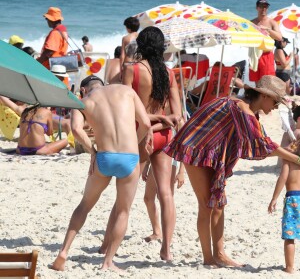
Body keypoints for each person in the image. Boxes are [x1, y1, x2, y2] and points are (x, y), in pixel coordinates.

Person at [164, 75, 300, 267]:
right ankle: (209, 258)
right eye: (276, 101)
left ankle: (219, 254)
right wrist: (296, 158)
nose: (276, 107)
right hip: (194, 147)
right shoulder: (242, 110)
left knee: (218, 203)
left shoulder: (246, 110)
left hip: (211, 151)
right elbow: (263, 146)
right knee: (206, 204)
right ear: (263, 96)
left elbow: (260, 146)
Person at [51, 75, 152, 271]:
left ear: (83, 90)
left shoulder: (83, 102)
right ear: (103, 84)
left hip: (104, 157)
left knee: (84, 205)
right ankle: (108, 261)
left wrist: (93, 152)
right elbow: (146, 124)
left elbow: (77, 130)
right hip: (129, 159)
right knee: (123, 211)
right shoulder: (127, 91)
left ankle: (63, 251)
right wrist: (134, 142)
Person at [121, 26, 182, 260]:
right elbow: (176, 117)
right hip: (164, 136)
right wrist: (159, 124)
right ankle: (166, 249)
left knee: (125, 195)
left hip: (138, 136)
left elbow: (125, 108)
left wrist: (147, 126)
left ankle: (109, 246)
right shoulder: (169, 74)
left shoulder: (132, 70)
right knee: (165, 194)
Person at [268, 139, 300, 274]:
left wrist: (274, 198)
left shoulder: (289, 160)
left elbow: (283, 178)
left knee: (290, 235)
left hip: (293, 198)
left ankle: (289, 268)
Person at [0, 96, 68, 155]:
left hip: (20, 150)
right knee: (66, 141)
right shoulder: (47, 112)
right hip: (37, 150)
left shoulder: (24, 112)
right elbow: (49, 133)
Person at [250, 0, 282, 83]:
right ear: (257, 8)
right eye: (261, 6)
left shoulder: (272, 23)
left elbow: (279, 37)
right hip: (254, 54)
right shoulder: (252, 23)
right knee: (256, 82)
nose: (264, 9)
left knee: (267, 82)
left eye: (265, 7)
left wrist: (267, 30)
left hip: (266, 55)